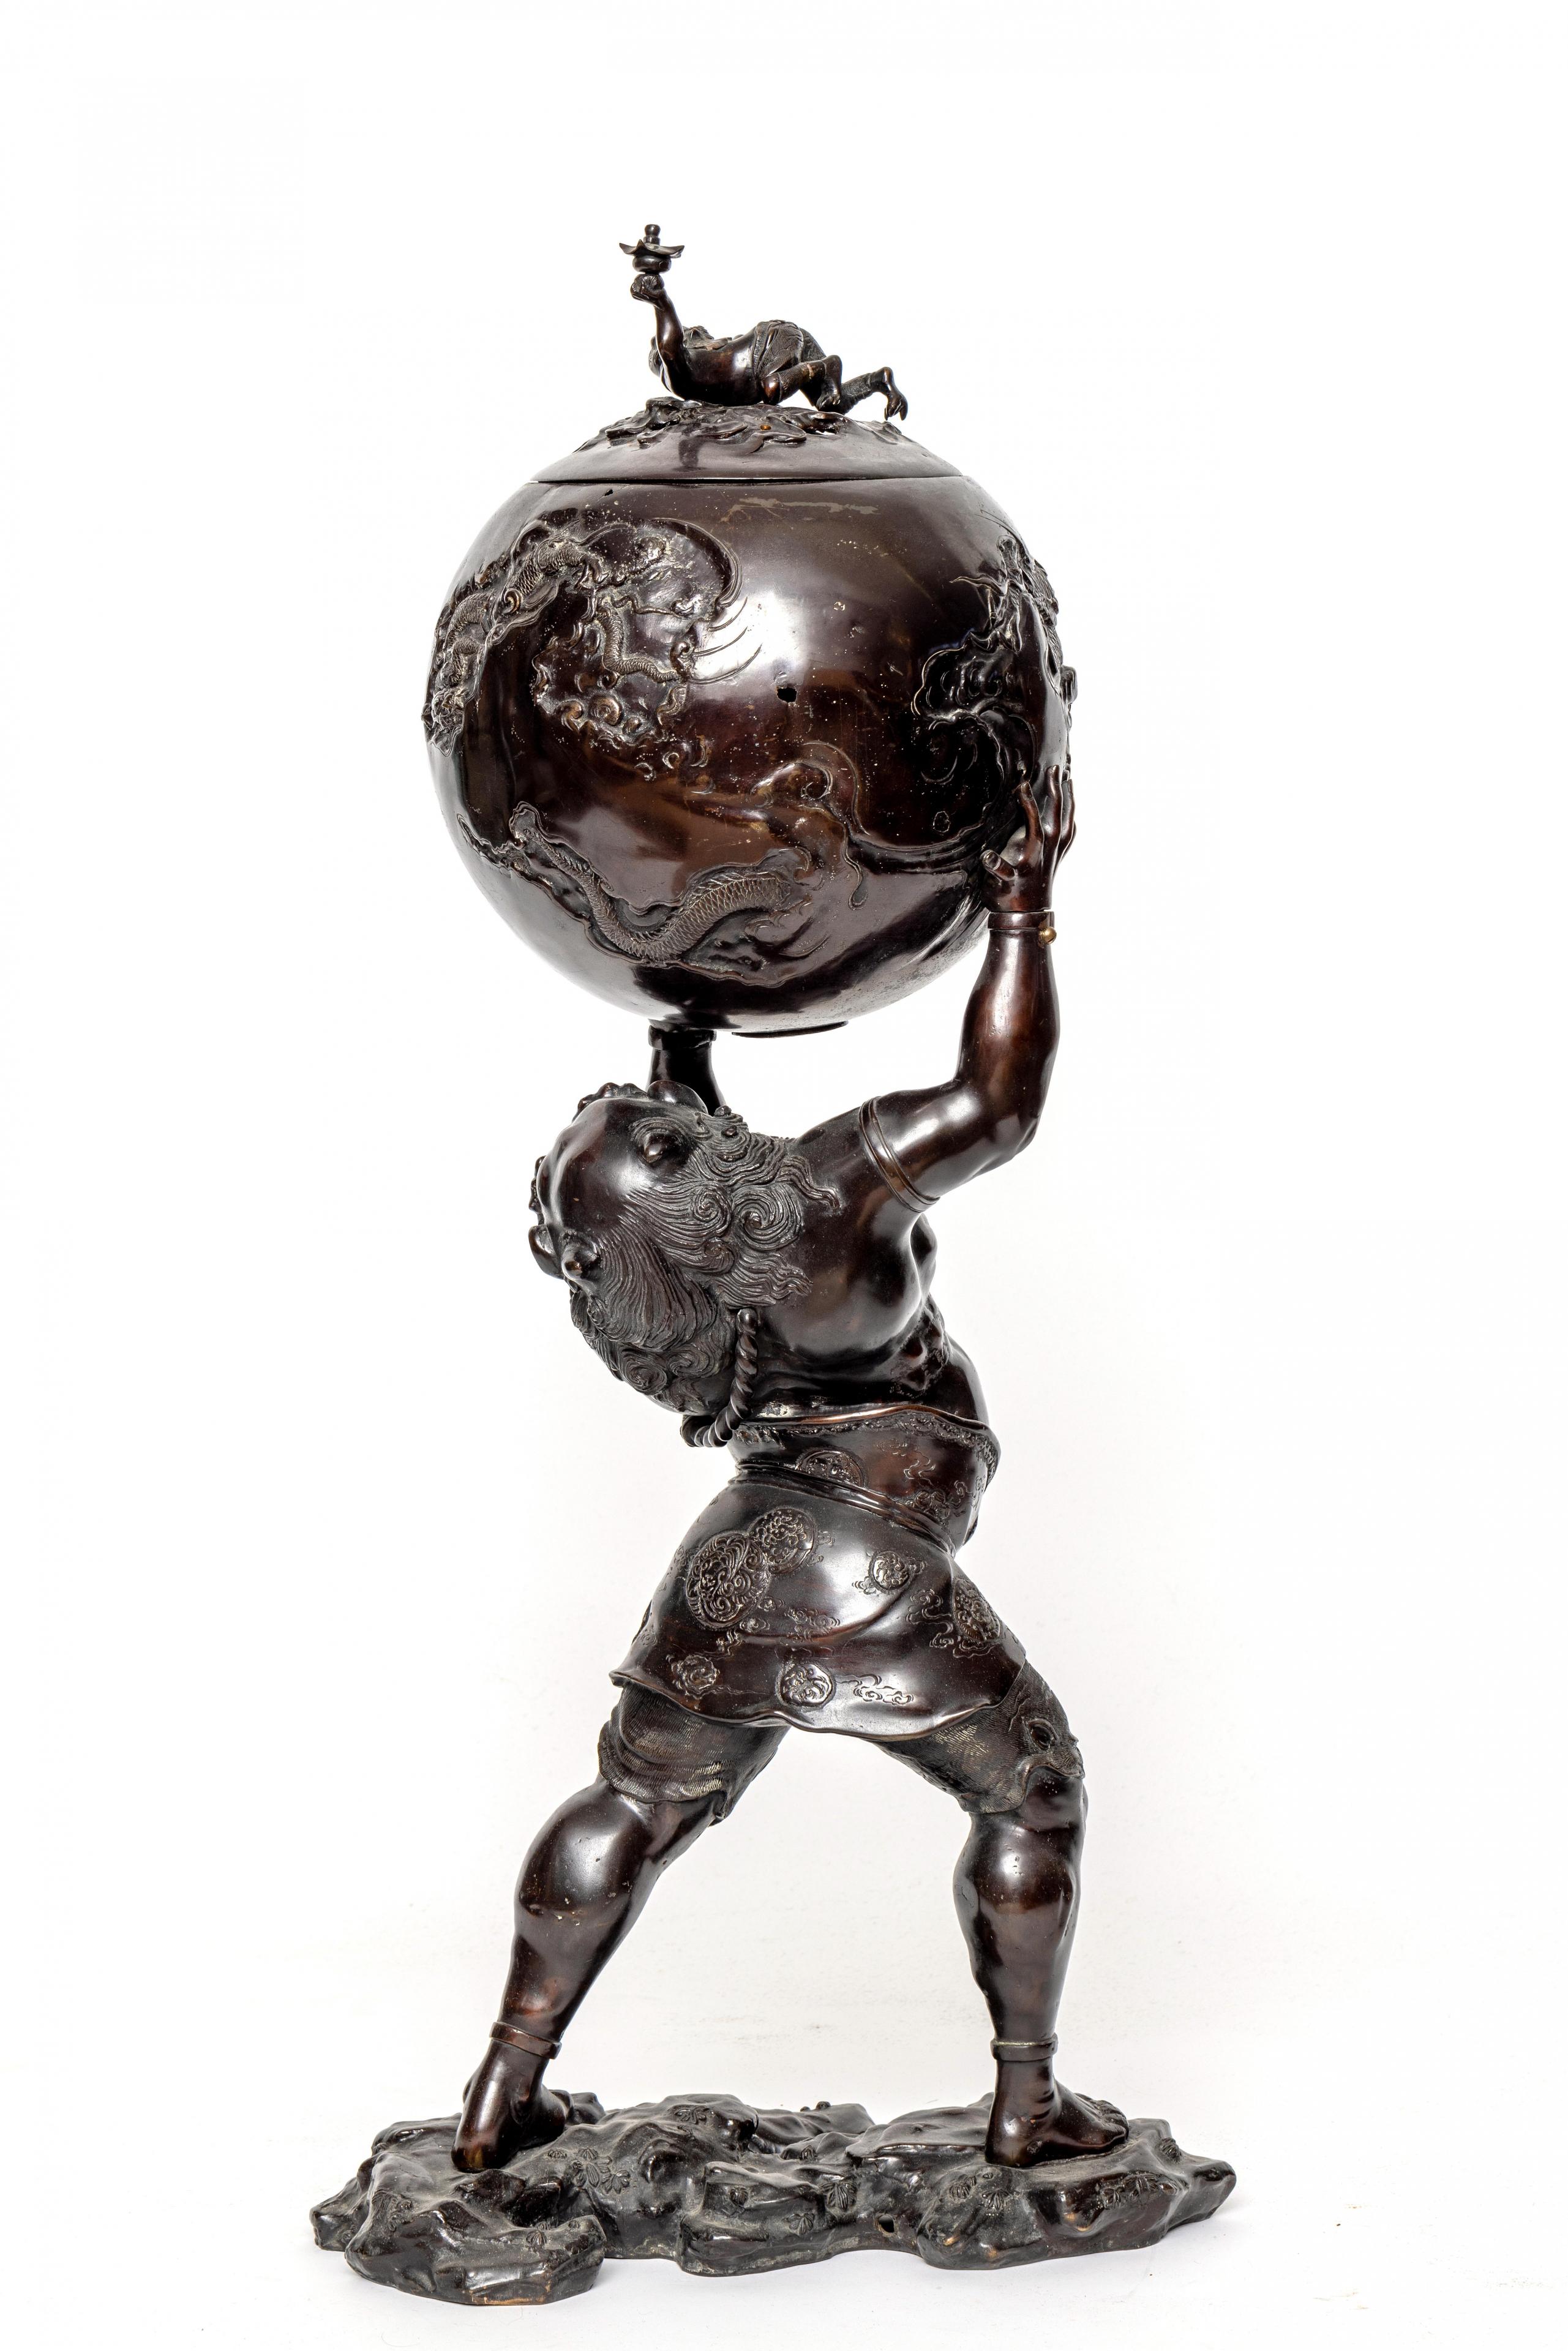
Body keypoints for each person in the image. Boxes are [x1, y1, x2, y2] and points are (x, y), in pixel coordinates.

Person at [454, 768, 1126, 2172]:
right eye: (651, 1124)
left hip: (742, 1552)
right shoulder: (825, 1197)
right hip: (859, 1558)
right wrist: (1021, 910)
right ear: (683, 1183)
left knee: (632, 1805)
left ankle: (502, 2088)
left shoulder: (689, 1295)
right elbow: (997, 1104)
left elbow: (685, 1152)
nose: (667, 1107)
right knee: (1033, 1793)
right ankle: (1026, 2104)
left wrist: (680, 999)